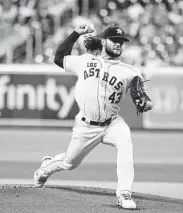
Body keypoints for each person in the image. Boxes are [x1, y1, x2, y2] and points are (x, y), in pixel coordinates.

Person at [34, 24, 153, 210]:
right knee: (68, 163)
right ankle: (45, 168)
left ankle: (124, 194)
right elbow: (59, 58)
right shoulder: (85, 61)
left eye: (122, 42)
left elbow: (143, 100)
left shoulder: (130, 71)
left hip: (112, 123)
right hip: (86, 126)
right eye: (115, 41)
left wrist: (145, 103)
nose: (119, 45)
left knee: (125, 142)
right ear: (104, 41)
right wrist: (75, 34)